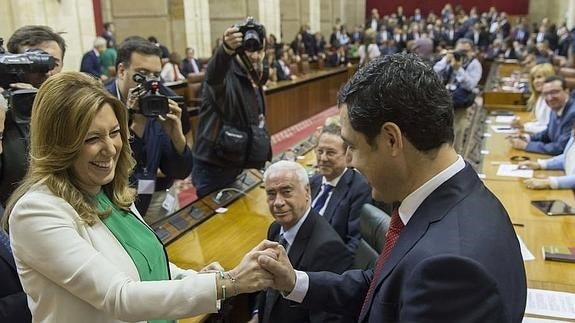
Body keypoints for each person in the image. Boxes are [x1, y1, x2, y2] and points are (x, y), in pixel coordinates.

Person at [258, 54, 527, 322]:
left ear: (391, 140)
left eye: (352, 146)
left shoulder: (449, 269)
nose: (349, 161)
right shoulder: (455, 197)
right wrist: (294, 281)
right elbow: (381, 289)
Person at [2, 72, 274, 323]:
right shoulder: (36, 211)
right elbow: (120, 297)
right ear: (60, 145)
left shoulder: (108, 191)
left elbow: (147, 265)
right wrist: (230, 282)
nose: (110, 149)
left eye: (115, 132)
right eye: (92, 138)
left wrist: (199, 279)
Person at [255, 160, 353, 323]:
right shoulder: (275, 228)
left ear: (307, 192)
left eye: (286, 192)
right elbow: (269, 288)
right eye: (271, 193)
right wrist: (257, 314)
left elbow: (328, 316)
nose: (278, 202)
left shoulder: (328, 248)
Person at [106, 37, 193, 215]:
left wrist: (177, 139)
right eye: (142, 74)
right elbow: (112, 168)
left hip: (152, 194)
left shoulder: (163, 99)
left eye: (155, 76)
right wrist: (137, 123)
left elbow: (180, 171)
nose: (151, 83)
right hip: (111, 204)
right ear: (122, 70)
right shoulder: (100, 104)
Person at [192, 19, 272, 197]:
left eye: (259, 49)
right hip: (214, 166)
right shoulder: (225, 74)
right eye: (249, 49)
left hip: (236, 161)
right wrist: (225, 49)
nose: (255, 56)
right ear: (239, 49)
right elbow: (214, 75)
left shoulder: (250, 75)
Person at [1, 25, 67, 207]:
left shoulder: (72, 110)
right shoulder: (3, 114)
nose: (46, 70)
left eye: (53, 63)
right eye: (33, 62)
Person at [310, 123, 371, 252]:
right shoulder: (312, 182)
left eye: (331, 153)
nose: (323, 158)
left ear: (347, 155)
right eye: (320, 151)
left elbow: (355, 244)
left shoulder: (360, 189)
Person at [434, 38, 482, 151]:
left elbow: (470, 85)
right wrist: (446, 60)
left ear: (472, 51)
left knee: (455, 135)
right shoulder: (449, 59)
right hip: (442, 103)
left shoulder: (474, 64)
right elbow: (433, 73)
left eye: (466, 51)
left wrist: (459, 69)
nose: (463, 54)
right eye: (460, 51)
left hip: (459, 104)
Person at [508, 75, 575, 156]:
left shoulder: (572, 114)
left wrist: (526, 145)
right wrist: (527, 138)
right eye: (546, 94)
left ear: (566, 91)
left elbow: (560, 148)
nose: (550, 98)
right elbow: (548, 133)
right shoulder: (556, 106)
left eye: (554, 92)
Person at [511, 63, 555, 133]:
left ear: (549, 78)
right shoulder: (540, 97)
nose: (535, 81)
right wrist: (522, 126)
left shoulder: (553, 100)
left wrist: (524, 128)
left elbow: (548, 129)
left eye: (539, 77)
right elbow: (540, 123)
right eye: (533, 78)